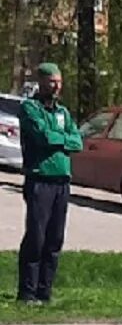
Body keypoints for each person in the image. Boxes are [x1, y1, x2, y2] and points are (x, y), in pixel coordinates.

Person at [16, 62, 82, 305]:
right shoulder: (29, 109)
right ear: (41, 82)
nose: (56, 86)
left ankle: (45, 292)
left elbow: (78, 141)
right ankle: (27, 292)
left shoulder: (63, 113)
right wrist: (61, 140)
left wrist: (60, 139)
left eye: (59, 82)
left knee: (55, 239)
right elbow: (42, 136)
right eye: (52, 81)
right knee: (37, 237)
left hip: (61, 183)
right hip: (39, 180)